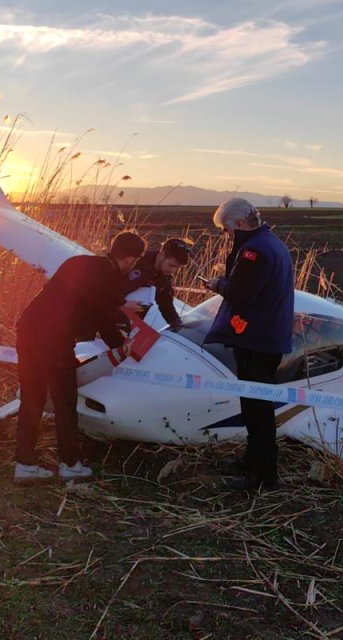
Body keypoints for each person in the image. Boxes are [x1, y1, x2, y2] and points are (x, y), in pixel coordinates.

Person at [13, 232, 147, 484]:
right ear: (130, 259)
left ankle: (24, 464)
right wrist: (122, 347)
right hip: (54, 339)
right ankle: (70, 464)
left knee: (32, 399)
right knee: (65, 402)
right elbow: (105, 319)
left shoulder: (78, 262)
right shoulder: (109, 277)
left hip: (27, 329)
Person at [206, 198, 295, 491]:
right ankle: (252, 461)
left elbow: (242, 295)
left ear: (239, 224)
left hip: (258, 339)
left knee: (257, 408)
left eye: (226, 229)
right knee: (253, 404)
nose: (226, 235)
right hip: (266, 336)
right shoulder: (272, 243)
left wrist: (218, 285)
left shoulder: (254, 251)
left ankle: (263, 475)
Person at [119, 237, 192, 328]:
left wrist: (177, 324)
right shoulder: (137, 262)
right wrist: (122, 305)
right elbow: (107, 287)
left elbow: (165, 303)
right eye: (171, 265)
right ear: (162, 255)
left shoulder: (164, 276)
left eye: (178, 267)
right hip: (108, 315)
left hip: (129, 324)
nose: (173, 270)